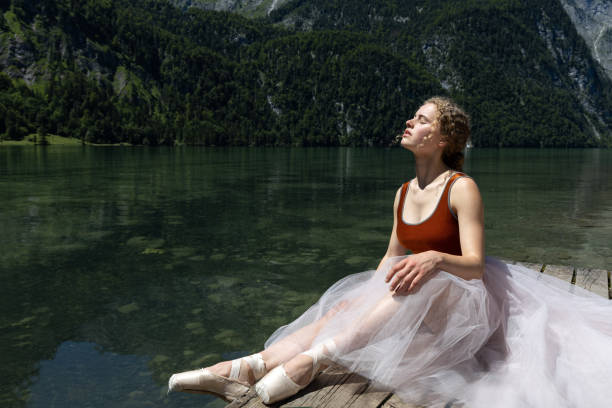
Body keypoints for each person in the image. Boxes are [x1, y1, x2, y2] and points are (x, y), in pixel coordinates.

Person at [168, 97, 612, 407]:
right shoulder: (402, 194)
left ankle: (315, 359)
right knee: (339, 304)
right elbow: (390, 258)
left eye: (421, 120)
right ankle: (244, 367)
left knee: (429, 272)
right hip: (416, 295)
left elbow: (475, 267)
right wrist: (359, 297)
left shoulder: (463, 188)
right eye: (412, 117)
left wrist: (435, 256)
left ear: (443, 140)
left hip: (466, 302)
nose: (408, 123)